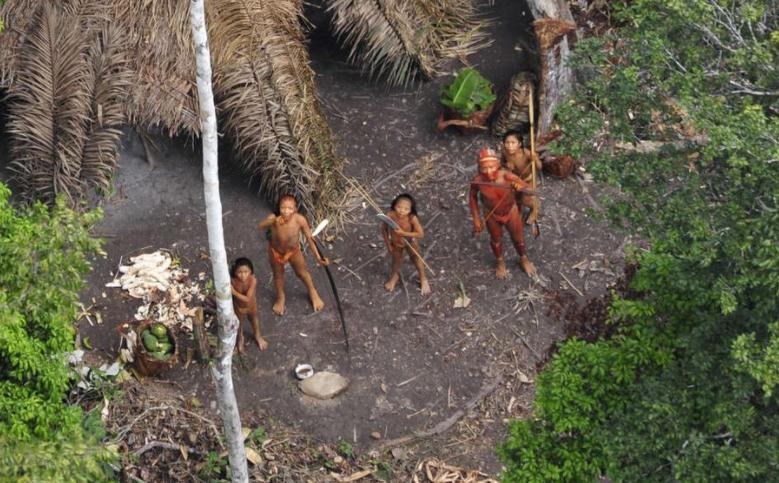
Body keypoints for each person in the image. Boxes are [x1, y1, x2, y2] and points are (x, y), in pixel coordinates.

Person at [469, 147, 537, 279]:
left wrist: (520, 187)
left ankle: (523, 258)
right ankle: (500, 262)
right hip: (492, 214)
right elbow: (472, 197)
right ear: (479, 168)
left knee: (518, 239)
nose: (488, 172)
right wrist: (476, 218)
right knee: (495, 240)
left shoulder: (507, 176)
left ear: (498, 165)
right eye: (484, 168)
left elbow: (529, 189)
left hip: (510, 212)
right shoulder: (477, 181)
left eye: (491, 167)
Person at [258, 195, 328, 316]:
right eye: (283, 208)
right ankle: (280, 297)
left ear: (295, 209)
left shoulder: (299, 220)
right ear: (279, 208)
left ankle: (313, 292)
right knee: (278, 275)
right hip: (275, 252)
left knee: (302, 273)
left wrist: (318, 257)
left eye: (290, 208)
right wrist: (272, 221)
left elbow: (310, 239)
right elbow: (261, 226)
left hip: (293, 251)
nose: (286, 211)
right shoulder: (274, 218)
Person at [381, 193, 431, 295]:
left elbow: (420, 234)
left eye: (406, 209)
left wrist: (403, 233)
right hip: (396, 243)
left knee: (416, 258)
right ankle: (394, 277)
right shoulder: (390, 215)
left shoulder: (412, 218)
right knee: (396, 261)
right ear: (394, 205)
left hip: (410, 242)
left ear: (410, 210)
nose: (401, 211)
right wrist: (388, 244)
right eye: (399, 207)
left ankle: (423, 278)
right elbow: (384, 229)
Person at [501, 130, 542, 237]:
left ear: (519, 144)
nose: (510, 146)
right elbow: (502, 163)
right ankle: (518, 210)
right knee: (514, 196)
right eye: (507, 142)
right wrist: (507, 166)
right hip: (515, 180)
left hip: (528, 180)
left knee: (526, 199)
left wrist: (535, 159)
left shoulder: (526, 153)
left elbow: (539, 167)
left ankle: (535, 207)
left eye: (513, 143)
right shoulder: (504, 151)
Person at [230, 257, 268, 352]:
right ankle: (240, 338)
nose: (243, 275)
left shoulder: (252, 280)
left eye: (246, 272)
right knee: (239, 323)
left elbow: (247, 298)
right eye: (239, 272)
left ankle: (257, 335)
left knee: (254, 320)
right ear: (235, 272)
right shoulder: (233, 281)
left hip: (251, 306)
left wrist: (234, 292)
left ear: (251, 272)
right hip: (238, 307)